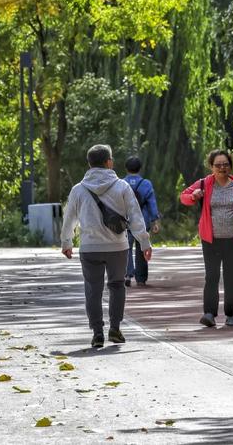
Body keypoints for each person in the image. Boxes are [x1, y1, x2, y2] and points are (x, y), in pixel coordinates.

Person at [61, 144, 152, 348]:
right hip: (118, 247)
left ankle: (97, 333)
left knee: (93, 290)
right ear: (109, 162)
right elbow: (135, 216)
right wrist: (144, 242)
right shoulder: (122, 186)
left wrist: (66, 242)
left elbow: (69, 219)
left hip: (90, 248)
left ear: (89, 164)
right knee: (117, 286)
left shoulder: (78, 189)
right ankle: (115, 329)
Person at [180, 150, 233, 328]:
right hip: (211, 239)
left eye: (225, 164)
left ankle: (231, 315)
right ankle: (209, 313)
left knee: (231, 277)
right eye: (218, 165)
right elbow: (183, 197)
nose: (222, 168)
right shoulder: (204, 183)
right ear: (211, 166)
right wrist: (194, 196)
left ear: (230, 166)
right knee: (212, 276)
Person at [123, 156, 160, 287]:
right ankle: (141, 279)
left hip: (125, 221)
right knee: (142, 248)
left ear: (126, 168)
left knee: (125, 248)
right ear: (140, 168)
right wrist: (155, 221)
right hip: (142, 221)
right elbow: (152, 203)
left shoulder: (121, 183)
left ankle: (127, 274)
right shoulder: (146, 183)